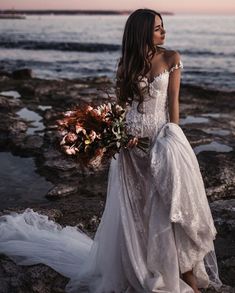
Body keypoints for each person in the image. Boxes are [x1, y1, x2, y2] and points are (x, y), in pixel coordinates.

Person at [0, 8, 222, 293]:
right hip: (130, 148)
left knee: (169, 209)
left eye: (163, 26)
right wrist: (113, 136)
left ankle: (188, 280)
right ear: (141, 32)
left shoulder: (171, 58)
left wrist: (174, 140)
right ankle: (141, 265)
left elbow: (174, 107)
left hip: (161, 144)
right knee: (137, 212)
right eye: (157, 28)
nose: (163, 32)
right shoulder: (126, 65)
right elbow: (123, 108)